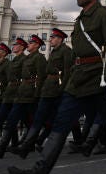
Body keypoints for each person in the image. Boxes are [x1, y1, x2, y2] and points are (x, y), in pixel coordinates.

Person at [7, 0, 106, 174]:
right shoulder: (80, 19)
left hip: (99, 78)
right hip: (79, 79)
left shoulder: (105, 15)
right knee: (61, 124)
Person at [17, 28, 74, 158]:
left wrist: (62, 90)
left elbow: (67, 72)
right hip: (47, 89)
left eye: (53, 38)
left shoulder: (66, 51)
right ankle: (28, 145)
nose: (50, 40)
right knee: (40, 118)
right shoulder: (54, 52)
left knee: (53, 119)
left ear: (60, 39)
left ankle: (36, 143)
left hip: (56, 90)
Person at [0, 34, 47, 158]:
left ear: (36, 45)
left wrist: (37, 94)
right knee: (12, 120)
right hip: (21, 93)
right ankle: (1, 149)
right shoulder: (27, 58)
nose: (28, 45)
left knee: (32, 122)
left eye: (30, 43)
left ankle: (29, 146)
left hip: (31, 94)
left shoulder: (39, 58)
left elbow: (40, 77)